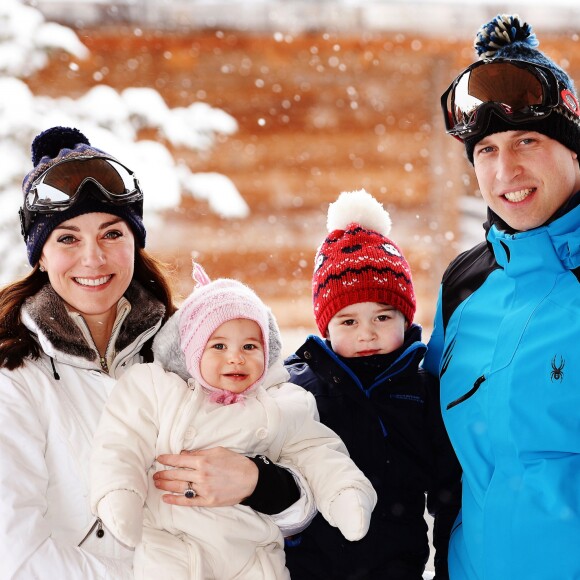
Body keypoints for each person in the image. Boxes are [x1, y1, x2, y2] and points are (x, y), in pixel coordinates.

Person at [0, 126, 312, 579]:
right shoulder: (15, 378)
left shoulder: (195, 344)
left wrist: (259, 483)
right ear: (41, 255)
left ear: (134, 241)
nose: (93, 258)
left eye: (111, 233)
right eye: (67, 238)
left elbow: (302, 492)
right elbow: (16, 553)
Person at [90, 264, 377, 579]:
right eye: (219, 346)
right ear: (193, 352)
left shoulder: (282, 403)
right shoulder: (160, 389)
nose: (236, 357)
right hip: (173, 544)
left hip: (252, 552)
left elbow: (318, 453)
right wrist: (120, 493)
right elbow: (121, 442)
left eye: (250, 346)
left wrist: (344, 491)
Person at [423, 14, 580, 580]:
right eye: (485, 150)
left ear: (573, 148)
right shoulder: (464, 285)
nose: (505, 168)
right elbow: (439, 453)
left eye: (527, 141)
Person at [284, 189, 462, 579]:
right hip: (308, 568)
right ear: (326, 328)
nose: (367, 334)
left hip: (396, 567)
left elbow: (449, 493)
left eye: (382, 317)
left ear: (405, 318)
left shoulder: (422, 391)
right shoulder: (296, 387)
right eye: (348, 321)